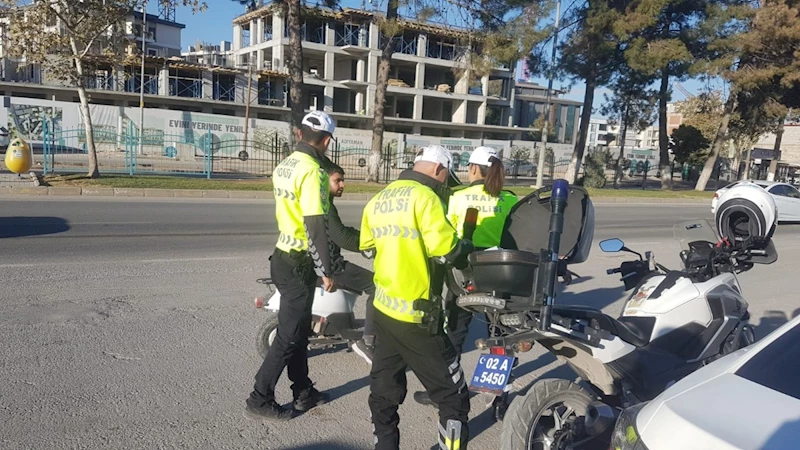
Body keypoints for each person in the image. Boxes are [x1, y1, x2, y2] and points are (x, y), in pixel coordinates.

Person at [360, 145, 475, 450]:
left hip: (384, 312)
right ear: (440, 170)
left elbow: (368, 247)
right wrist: (465, 246)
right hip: (418, 318)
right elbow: (448, 252)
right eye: (445, 180)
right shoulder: (426, 198)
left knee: (383, 395)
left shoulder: (379, 198)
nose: (444, 186)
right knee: (454, 398)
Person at [244, 110, 338, 422]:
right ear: (325, 141)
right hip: (298, 262)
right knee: (288, 336)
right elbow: (314, 226)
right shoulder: (313, 172)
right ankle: (260, 397)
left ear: (299, 134)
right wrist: (326, 269)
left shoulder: (284, 165)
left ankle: (303, 391)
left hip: (282, 256)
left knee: (298, 331)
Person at [413, 146, 519, 407]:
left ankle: (444, 389)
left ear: (472, 169)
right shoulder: (510, 199)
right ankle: (500, 394)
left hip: (462, 275)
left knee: (454, 332)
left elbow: (443, 236)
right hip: (500, 274)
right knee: (500, 334)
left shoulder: (456, 196)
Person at [322, 160, 378, 364]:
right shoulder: (325, 205)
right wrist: (371, 243)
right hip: (331, 267)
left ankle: (342, 323)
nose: (342, 185)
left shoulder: (317, 201)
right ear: (323, 181)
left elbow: (342, 231)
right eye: (338, 180)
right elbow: (342, 238)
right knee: (377, 285)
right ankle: (368, 341)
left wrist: (365, 236)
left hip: (319, 263)